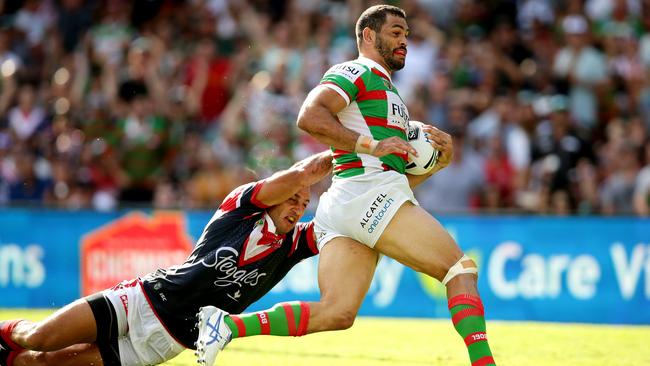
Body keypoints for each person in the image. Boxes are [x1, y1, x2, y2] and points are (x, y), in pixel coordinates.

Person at [197, 5, 496, 366]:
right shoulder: (358, 71)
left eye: (406, 35)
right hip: (366, 193)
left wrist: (436, 165)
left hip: (347, 201)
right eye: (395, 32)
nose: (404, 41)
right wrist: (369, 145)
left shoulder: (389, 94)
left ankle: (225, 326)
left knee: (336, 312)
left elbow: (393, 173)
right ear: (369, 36)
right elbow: (309, 116)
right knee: (459, 270)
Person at [0, 151, 334, 366]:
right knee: (38, 337)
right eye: (292, 198)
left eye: (303, 204)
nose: (297, 208)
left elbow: (340, 223)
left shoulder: (292, 245)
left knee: (40, 362)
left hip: (162, 344)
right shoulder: (243, 207)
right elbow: (304, 172)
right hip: (142, 300)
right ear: (275, 194)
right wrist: (351, 146)